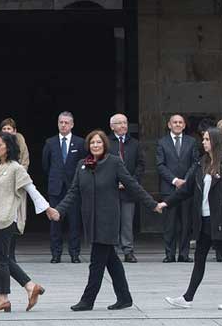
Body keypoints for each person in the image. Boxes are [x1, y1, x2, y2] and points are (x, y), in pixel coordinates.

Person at [156, 128, 222, 310]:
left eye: (206, 139)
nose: (203, 142)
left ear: (215, 141)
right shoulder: (202, 163)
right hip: (204, 219)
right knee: (199, 257)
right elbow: (187, 189)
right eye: (203, 139)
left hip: (221, 219)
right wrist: (167, 203)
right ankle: (188, 298)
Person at [52, 130, 155, 311]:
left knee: (96, 262)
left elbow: (132, 185)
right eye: (92, 143)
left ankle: (87, 300)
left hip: (108, 220)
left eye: (99, 142)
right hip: (90, 220)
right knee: (112, 261)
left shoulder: (114, 162)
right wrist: (59, 210)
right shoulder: (82, 165)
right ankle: (124, 297)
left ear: (104, 144)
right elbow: (73, 192)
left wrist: (152, 204)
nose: (96, 145)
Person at [0, 132, 54, 313]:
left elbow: (31, 189)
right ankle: (30, 287)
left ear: (8, 147)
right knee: (5, 259)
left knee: (0, 259)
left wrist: (47, 208)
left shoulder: (16, 168)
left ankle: (2, 299)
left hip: (7, 219)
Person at [155, 115, 199, 263]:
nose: (178, 124)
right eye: (175, 122)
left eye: (180, 122)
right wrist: (175, 180)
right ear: (169, 125)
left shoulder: (192, 142)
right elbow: (160, 165)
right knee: (170, 224)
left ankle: (184, 254)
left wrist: (186, 180)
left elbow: (195, 163)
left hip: (186, 189)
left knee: (186, 223)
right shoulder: (162, 142)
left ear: (184, 125)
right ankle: (169, 254)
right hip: (169, 188)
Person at [43, 112, 85, 264]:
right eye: (61, 122)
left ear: (72, 124)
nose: (63, 125)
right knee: (55, 223)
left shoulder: (80, 142)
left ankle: (74, 253)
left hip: (73, 189)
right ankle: (56, 254)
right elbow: (45, 165)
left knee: (74, 222)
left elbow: (84, 164)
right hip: (56, 188)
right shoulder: (50, 142)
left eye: (66, 122)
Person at [106, 114, 144, 262]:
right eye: (119, 123)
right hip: (111, 190)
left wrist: (130, 182)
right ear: (112, 126)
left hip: (129, 190)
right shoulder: (106, 143)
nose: (123, 126)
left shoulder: (135, 143)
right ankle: (112, 251)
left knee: (127, 222)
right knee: (112, 221)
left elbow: (141, 165)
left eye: (125, 123)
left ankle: (128, 251)